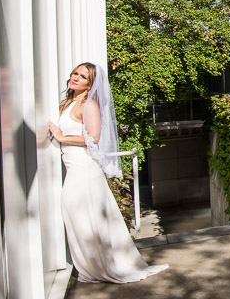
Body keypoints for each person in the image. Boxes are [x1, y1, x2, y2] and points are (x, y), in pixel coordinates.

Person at [46, 62, 168, 284]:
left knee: (85, 217)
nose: (76, 78)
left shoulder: (88, 105)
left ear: (90, 83)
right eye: (75, 73)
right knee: (79, 217)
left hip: (84, 169)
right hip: (73, 166)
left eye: (83, 77)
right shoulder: (68, 102)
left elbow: (93, 137)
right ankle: (91, 266)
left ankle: (102, 266)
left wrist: (63, 139)